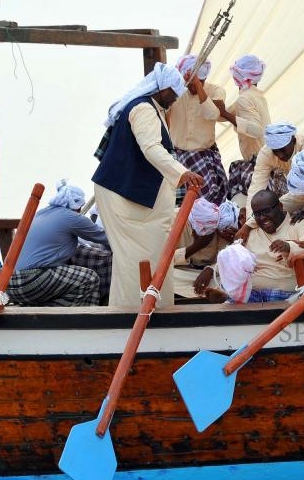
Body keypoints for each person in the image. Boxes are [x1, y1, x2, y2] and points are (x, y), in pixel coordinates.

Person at [92, 62, 204, 307]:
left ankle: (148, 307)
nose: (175, 99)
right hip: (123, 198)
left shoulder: (151, 108)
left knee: (151, 254)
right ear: (161, 88)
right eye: (173, 94)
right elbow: (151, 148)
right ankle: (134, 311)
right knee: (136, 258)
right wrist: (183, 173)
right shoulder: (143, 109)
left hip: (133, 199)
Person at [202, 190, 304, 303]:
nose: (262, 218)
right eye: (257, 214)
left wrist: (290, 248)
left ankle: (231, 298)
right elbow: (234, 258)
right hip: (255, 291)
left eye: (266, 211)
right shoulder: (250, 233)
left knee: (270, 298)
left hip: (288, 291)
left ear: (280, 206)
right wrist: (212, 268)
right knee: (236, 297)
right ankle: (230, 296)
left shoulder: (300, 225)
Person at [7, 180, 107, 307]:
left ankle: (44, 309)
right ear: (77, 205)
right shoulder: (71, 217)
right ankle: (85, 320)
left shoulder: (41, 213)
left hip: (9, 283)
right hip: (29, 281)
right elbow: (106, 237)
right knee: (89, 278)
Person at [235, 121, 304, 240]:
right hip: (294, 188)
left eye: (283, 150)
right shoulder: (266, 153)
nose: (280, 155)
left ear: (293, 141)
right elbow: (256, 187)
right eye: (275, 151)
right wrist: (249, 224)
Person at [168, 54, 229, 205]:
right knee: (179, 206)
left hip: (205, 158)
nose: (196, 85)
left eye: (202, 81)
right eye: (192, 82)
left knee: (210, 204)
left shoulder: (216, 91)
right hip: (177, 158)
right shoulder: (174, 92)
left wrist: (199, 86)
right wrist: (184, 84)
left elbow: (213, 114)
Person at [217, 55, 271, 199]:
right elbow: (224, 114)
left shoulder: (245, 99)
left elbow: (257, 130)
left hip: (258, 162)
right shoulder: (255, 95)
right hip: (263, 159)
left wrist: (225, 114)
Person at [172, 197, 240, 298]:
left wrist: (211, 269)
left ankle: (211, 292)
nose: (206, 233)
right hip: (183, 271)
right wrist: (197, 245)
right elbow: (163, 259)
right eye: (201, 230)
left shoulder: (219, 222)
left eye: (209, 231)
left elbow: (227, 255)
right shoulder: (175, 220)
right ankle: (208, 291)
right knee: (168, 278)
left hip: (213, 274)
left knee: (233, 276)